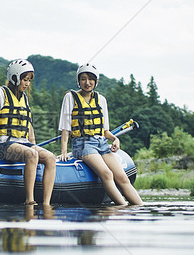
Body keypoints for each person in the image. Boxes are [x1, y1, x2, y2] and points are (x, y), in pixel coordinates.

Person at [0, 59, 56, 206]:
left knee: (50, 158)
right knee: (32, 154)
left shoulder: (24, 98)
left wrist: (33, 144)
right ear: (14, 78)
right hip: (4, 144)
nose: (27, 83)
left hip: (23, 143)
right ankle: (29, 201)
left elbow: (29, 125)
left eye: (29, 80)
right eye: (24, 79)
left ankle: (47, 204)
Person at [58, 63, 142, 206]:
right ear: (78, 81)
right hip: (83, 145)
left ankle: (140, 208)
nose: (87, 82)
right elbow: (66, 129)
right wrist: (64, 151)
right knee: (107, 174)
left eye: (91, 79)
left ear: (96, 81)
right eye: (83, 79)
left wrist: (115, 139)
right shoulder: (70, 97)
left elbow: (105, 131)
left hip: (101, 143)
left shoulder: (101, 100)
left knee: (122, 178)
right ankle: (123, 207)